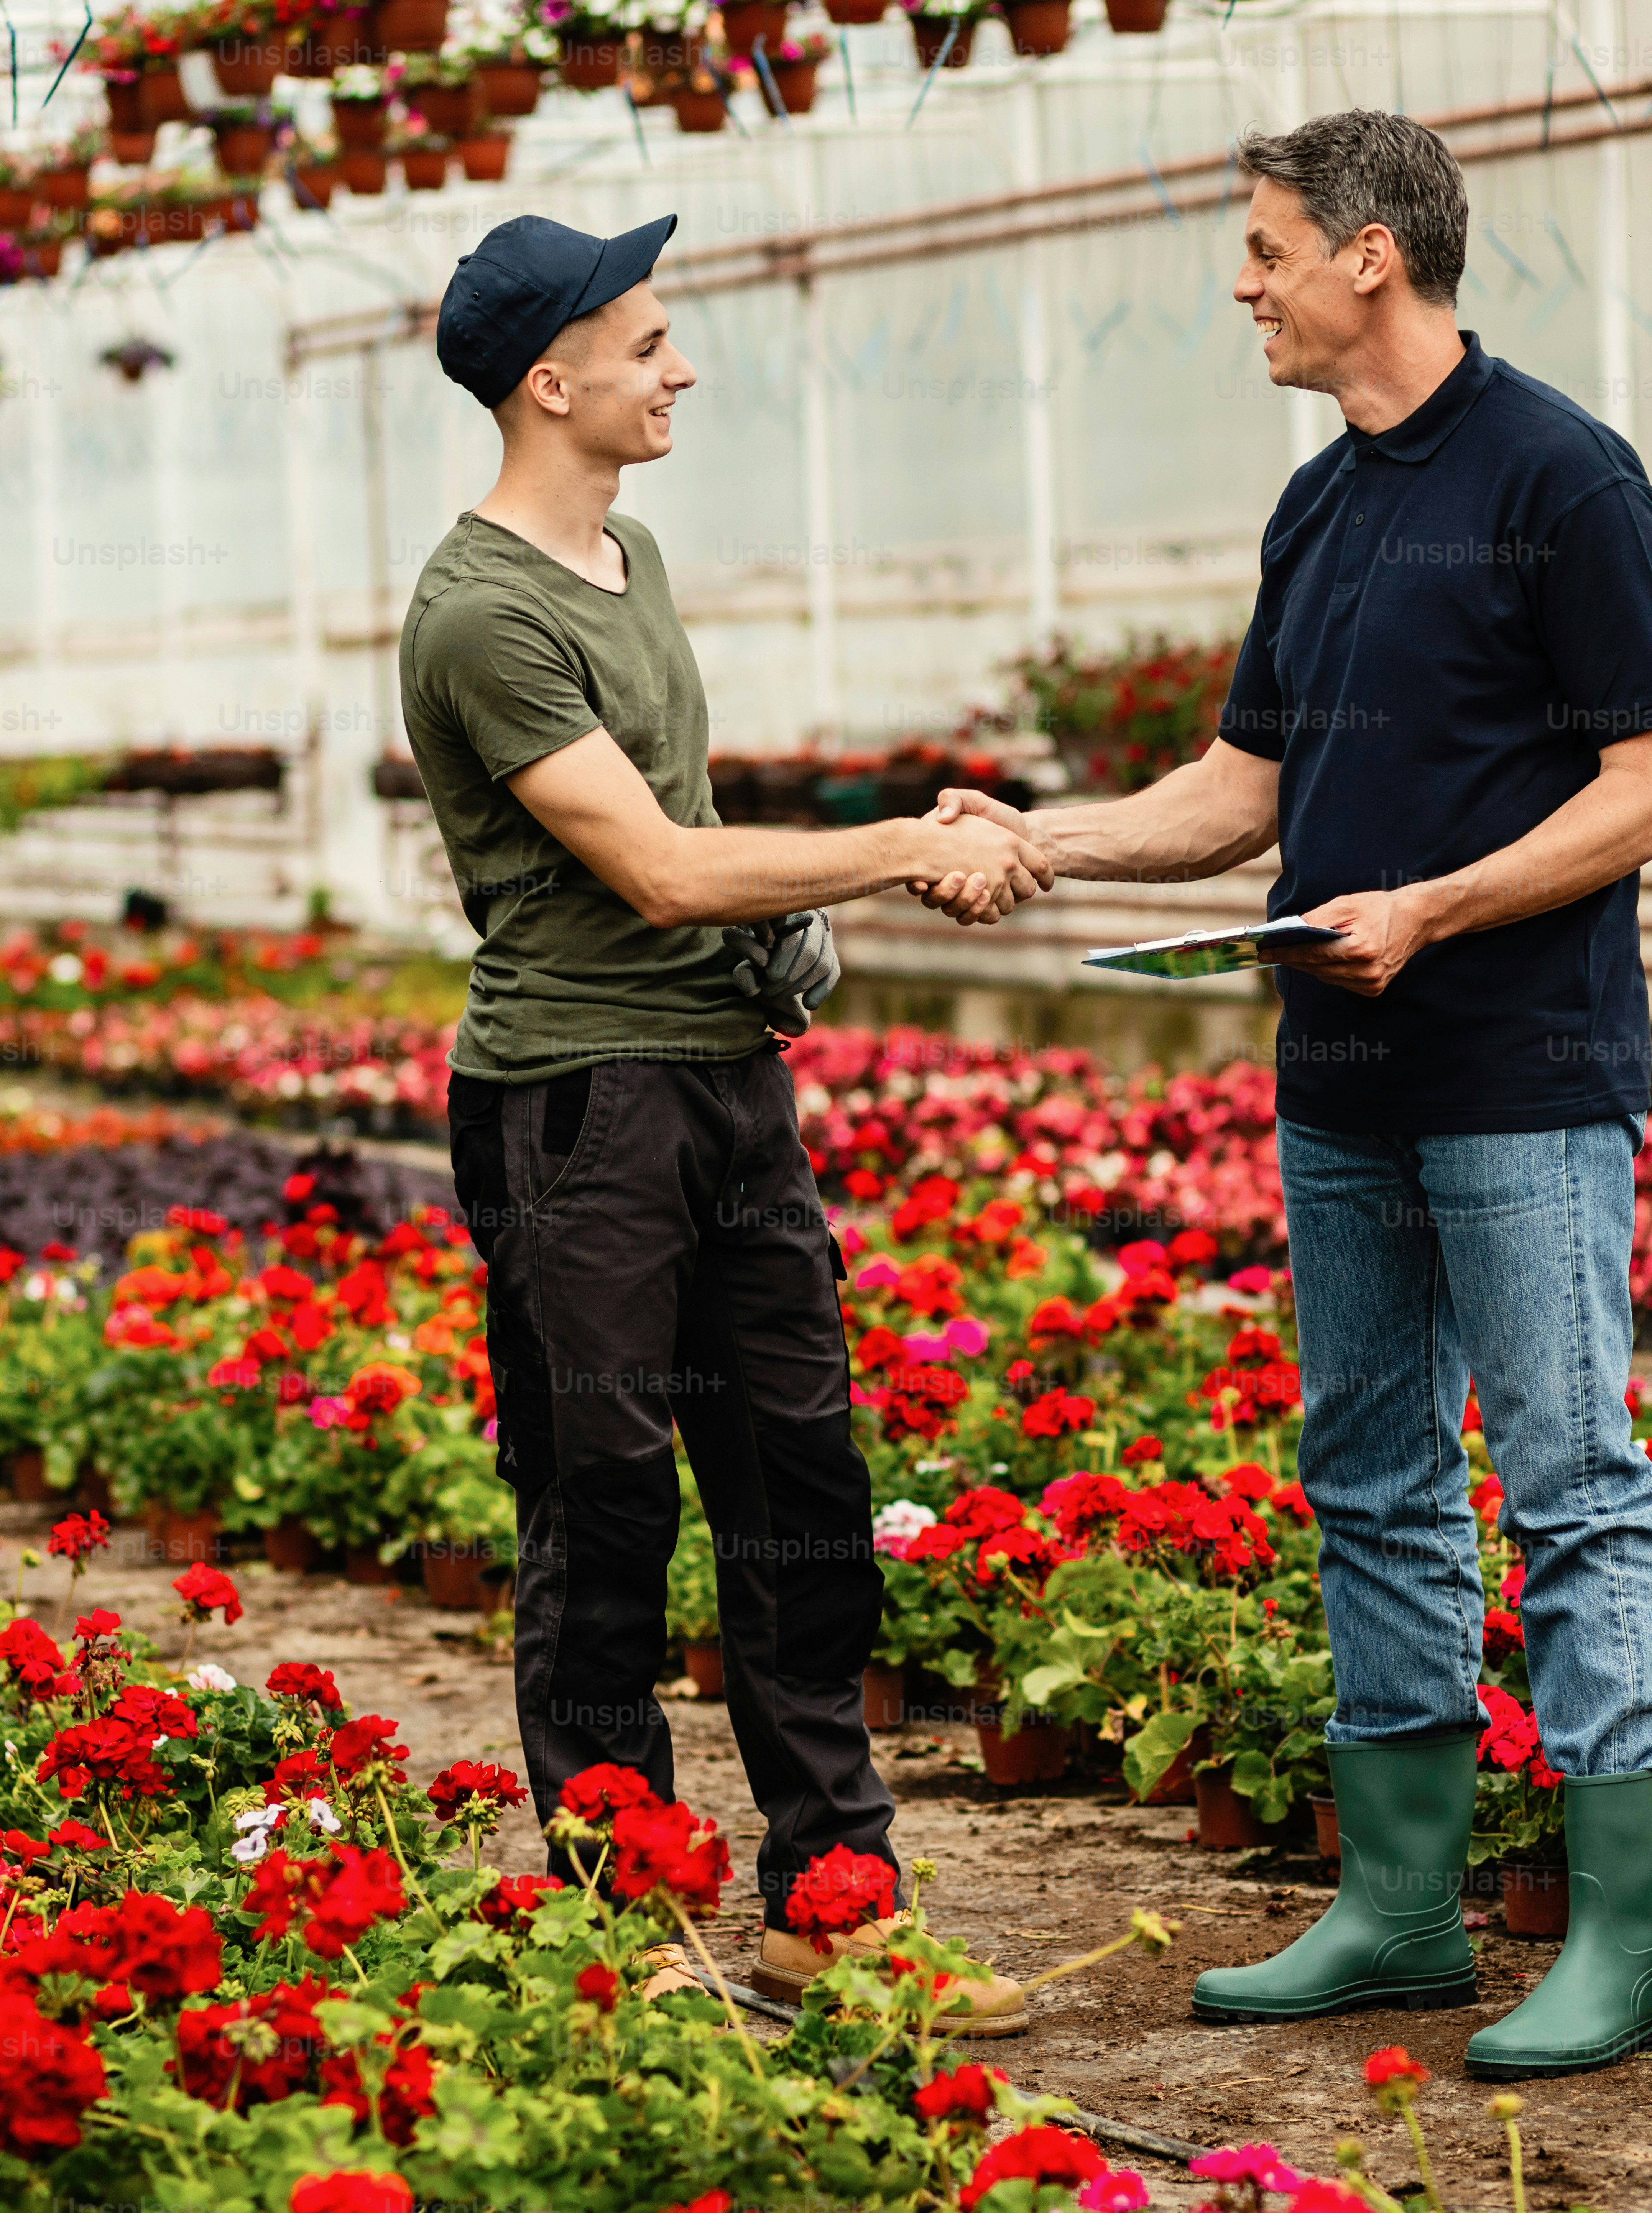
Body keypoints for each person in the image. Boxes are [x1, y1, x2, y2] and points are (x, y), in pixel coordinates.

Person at [921, 110, 1652, 2080]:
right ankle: (1400, 1908)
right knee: (1367, 1475)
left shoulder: (1561, 477)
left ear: (1371, 253)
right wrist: (1042, 841)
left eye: (1265, 249)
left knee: (1569, 1485)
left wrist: (1435, 907)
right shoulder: (1320, 506)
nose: (1241, 284)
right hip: (1338, 1077)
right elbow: (1242, 792)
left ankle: (1618, 1941)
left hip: (1518, 1074)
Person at [401, 210, 1051, 2034]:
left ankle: (835, 1908)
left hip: (725, 1090)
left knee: (798, 1496)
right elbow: (659, 868)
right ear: (552, 381)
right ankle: (624, 1931)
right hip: (576, 1108)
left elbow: (688, 838)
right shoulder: (479, 612)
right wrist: (903, 847)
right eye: (648, 343)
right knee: (601, 1509)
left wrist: (788, 938)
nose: (678, 368)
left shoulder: (632, 556)